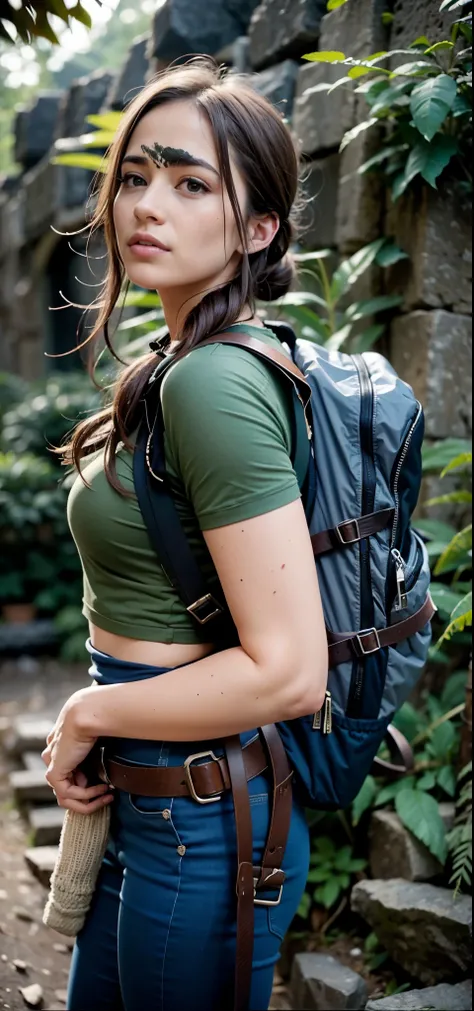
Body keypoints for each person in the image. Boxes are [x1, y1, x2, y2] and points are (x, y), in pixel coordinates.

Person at [42, 58, 328, 1011]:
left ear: (257, 229)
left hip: (196, 820)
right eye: (134, 176)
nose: (146, 206)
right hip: (158, 802)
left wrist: (87, 715)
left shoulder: (213, 380)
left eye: (190, 182)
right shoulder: (181, 361)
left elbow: (289, 670)